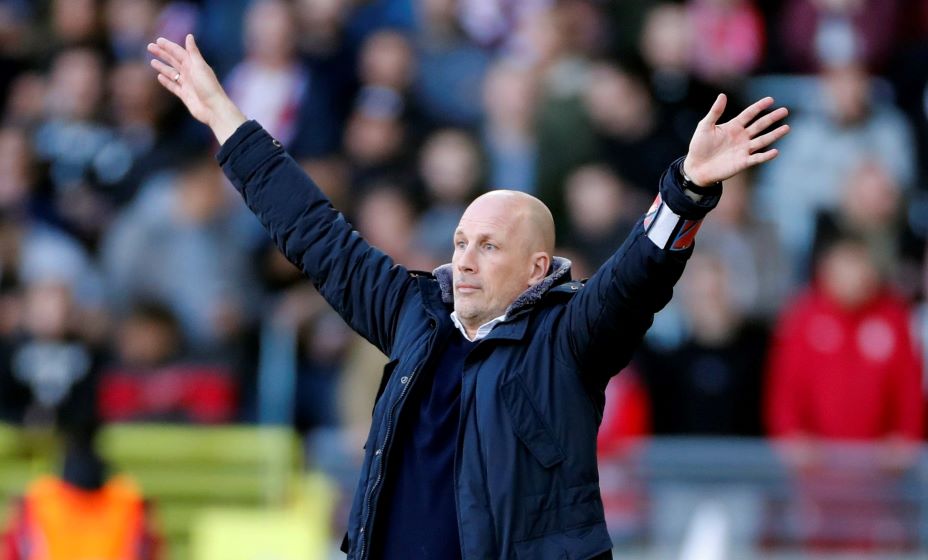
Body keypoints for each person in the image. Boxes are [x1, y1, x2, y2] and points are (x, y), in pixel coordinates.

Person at [147, 33, 789, 560]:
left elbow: (637, 277)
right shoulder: (413, 312)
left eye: (488, 245)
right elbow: (314, 231)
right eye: (459, 242)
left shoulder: (569, 337)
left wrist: (687, 190)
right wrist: (225, 120)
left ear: (537, 269)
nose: (464, 259)